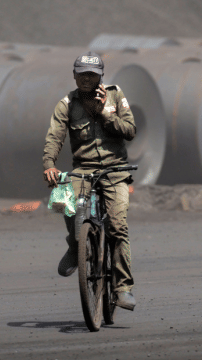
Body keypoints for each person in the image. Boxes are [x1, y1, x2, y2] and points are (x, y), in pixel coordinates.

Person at [42, 51, 137, 310]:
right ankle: (75, 246)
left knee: (117, 226)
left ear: (101, 76)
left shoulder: (116, 95)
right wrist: (49, 164)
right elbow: (55, 136)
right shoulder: (67, 104)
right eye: (82, 74)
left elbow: (130, 130)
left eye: (92, 75)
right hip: (83, 170)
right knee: (65, 200)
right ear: (74, 75)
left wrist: (106, 113)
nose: (86, 79)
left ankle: (123, 287)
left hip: (115, 170)